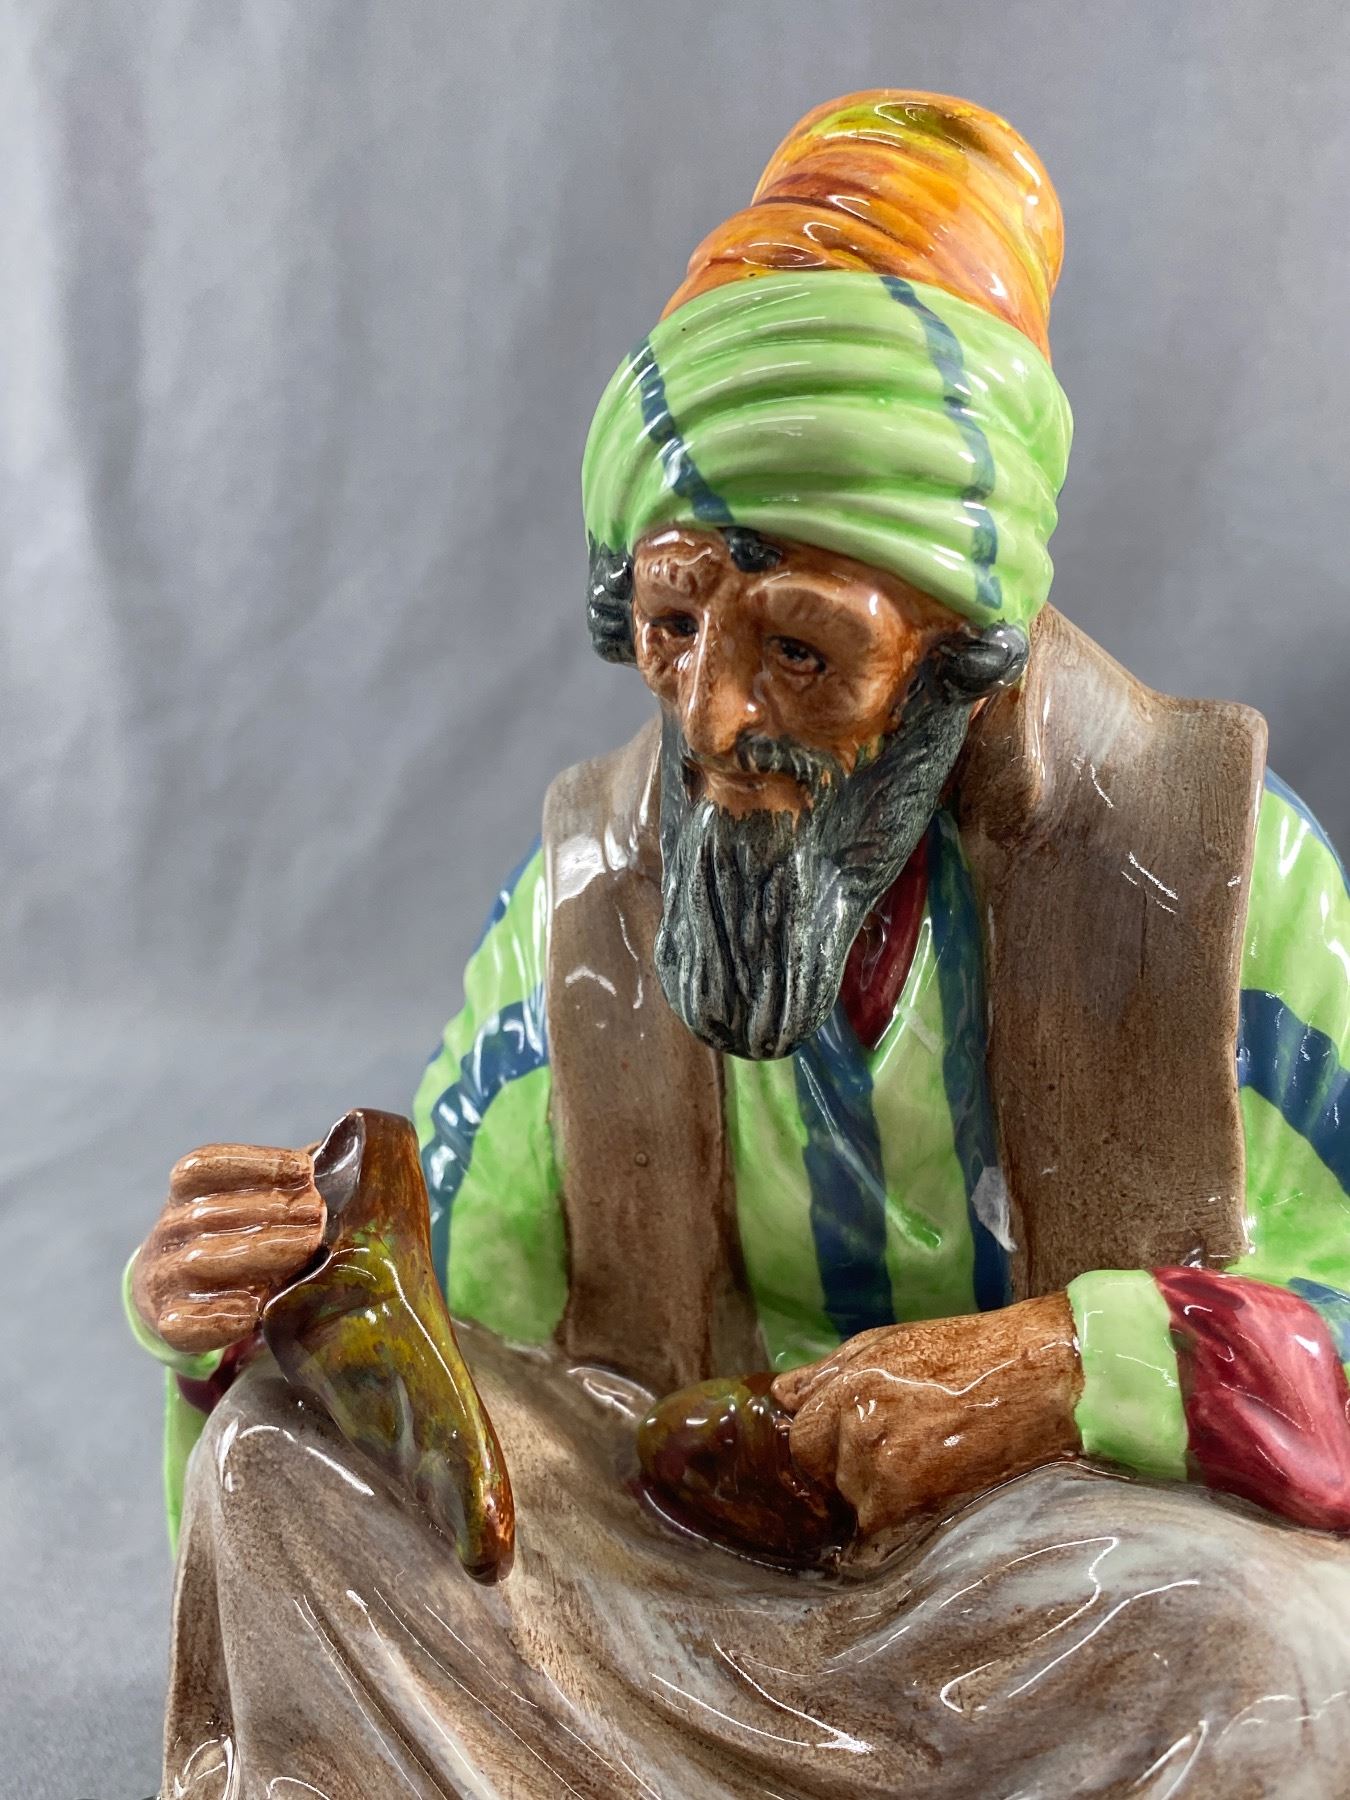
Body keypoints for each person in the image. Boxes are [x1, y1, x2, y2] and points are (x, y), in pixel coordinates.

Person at [126, 92, 1350, 1798]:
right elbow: (470, 1351)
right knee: (279, 1472)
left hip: (1049, 1557)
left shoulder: (1215, 873)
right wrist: (262, 1319)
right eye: (674, 625)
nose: (711, 720)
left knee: (1256, 1648)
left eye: (799, 652)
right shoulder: (583, 903)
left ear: (956, 650)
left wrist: (1069, 1369)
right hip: (662, 1559)